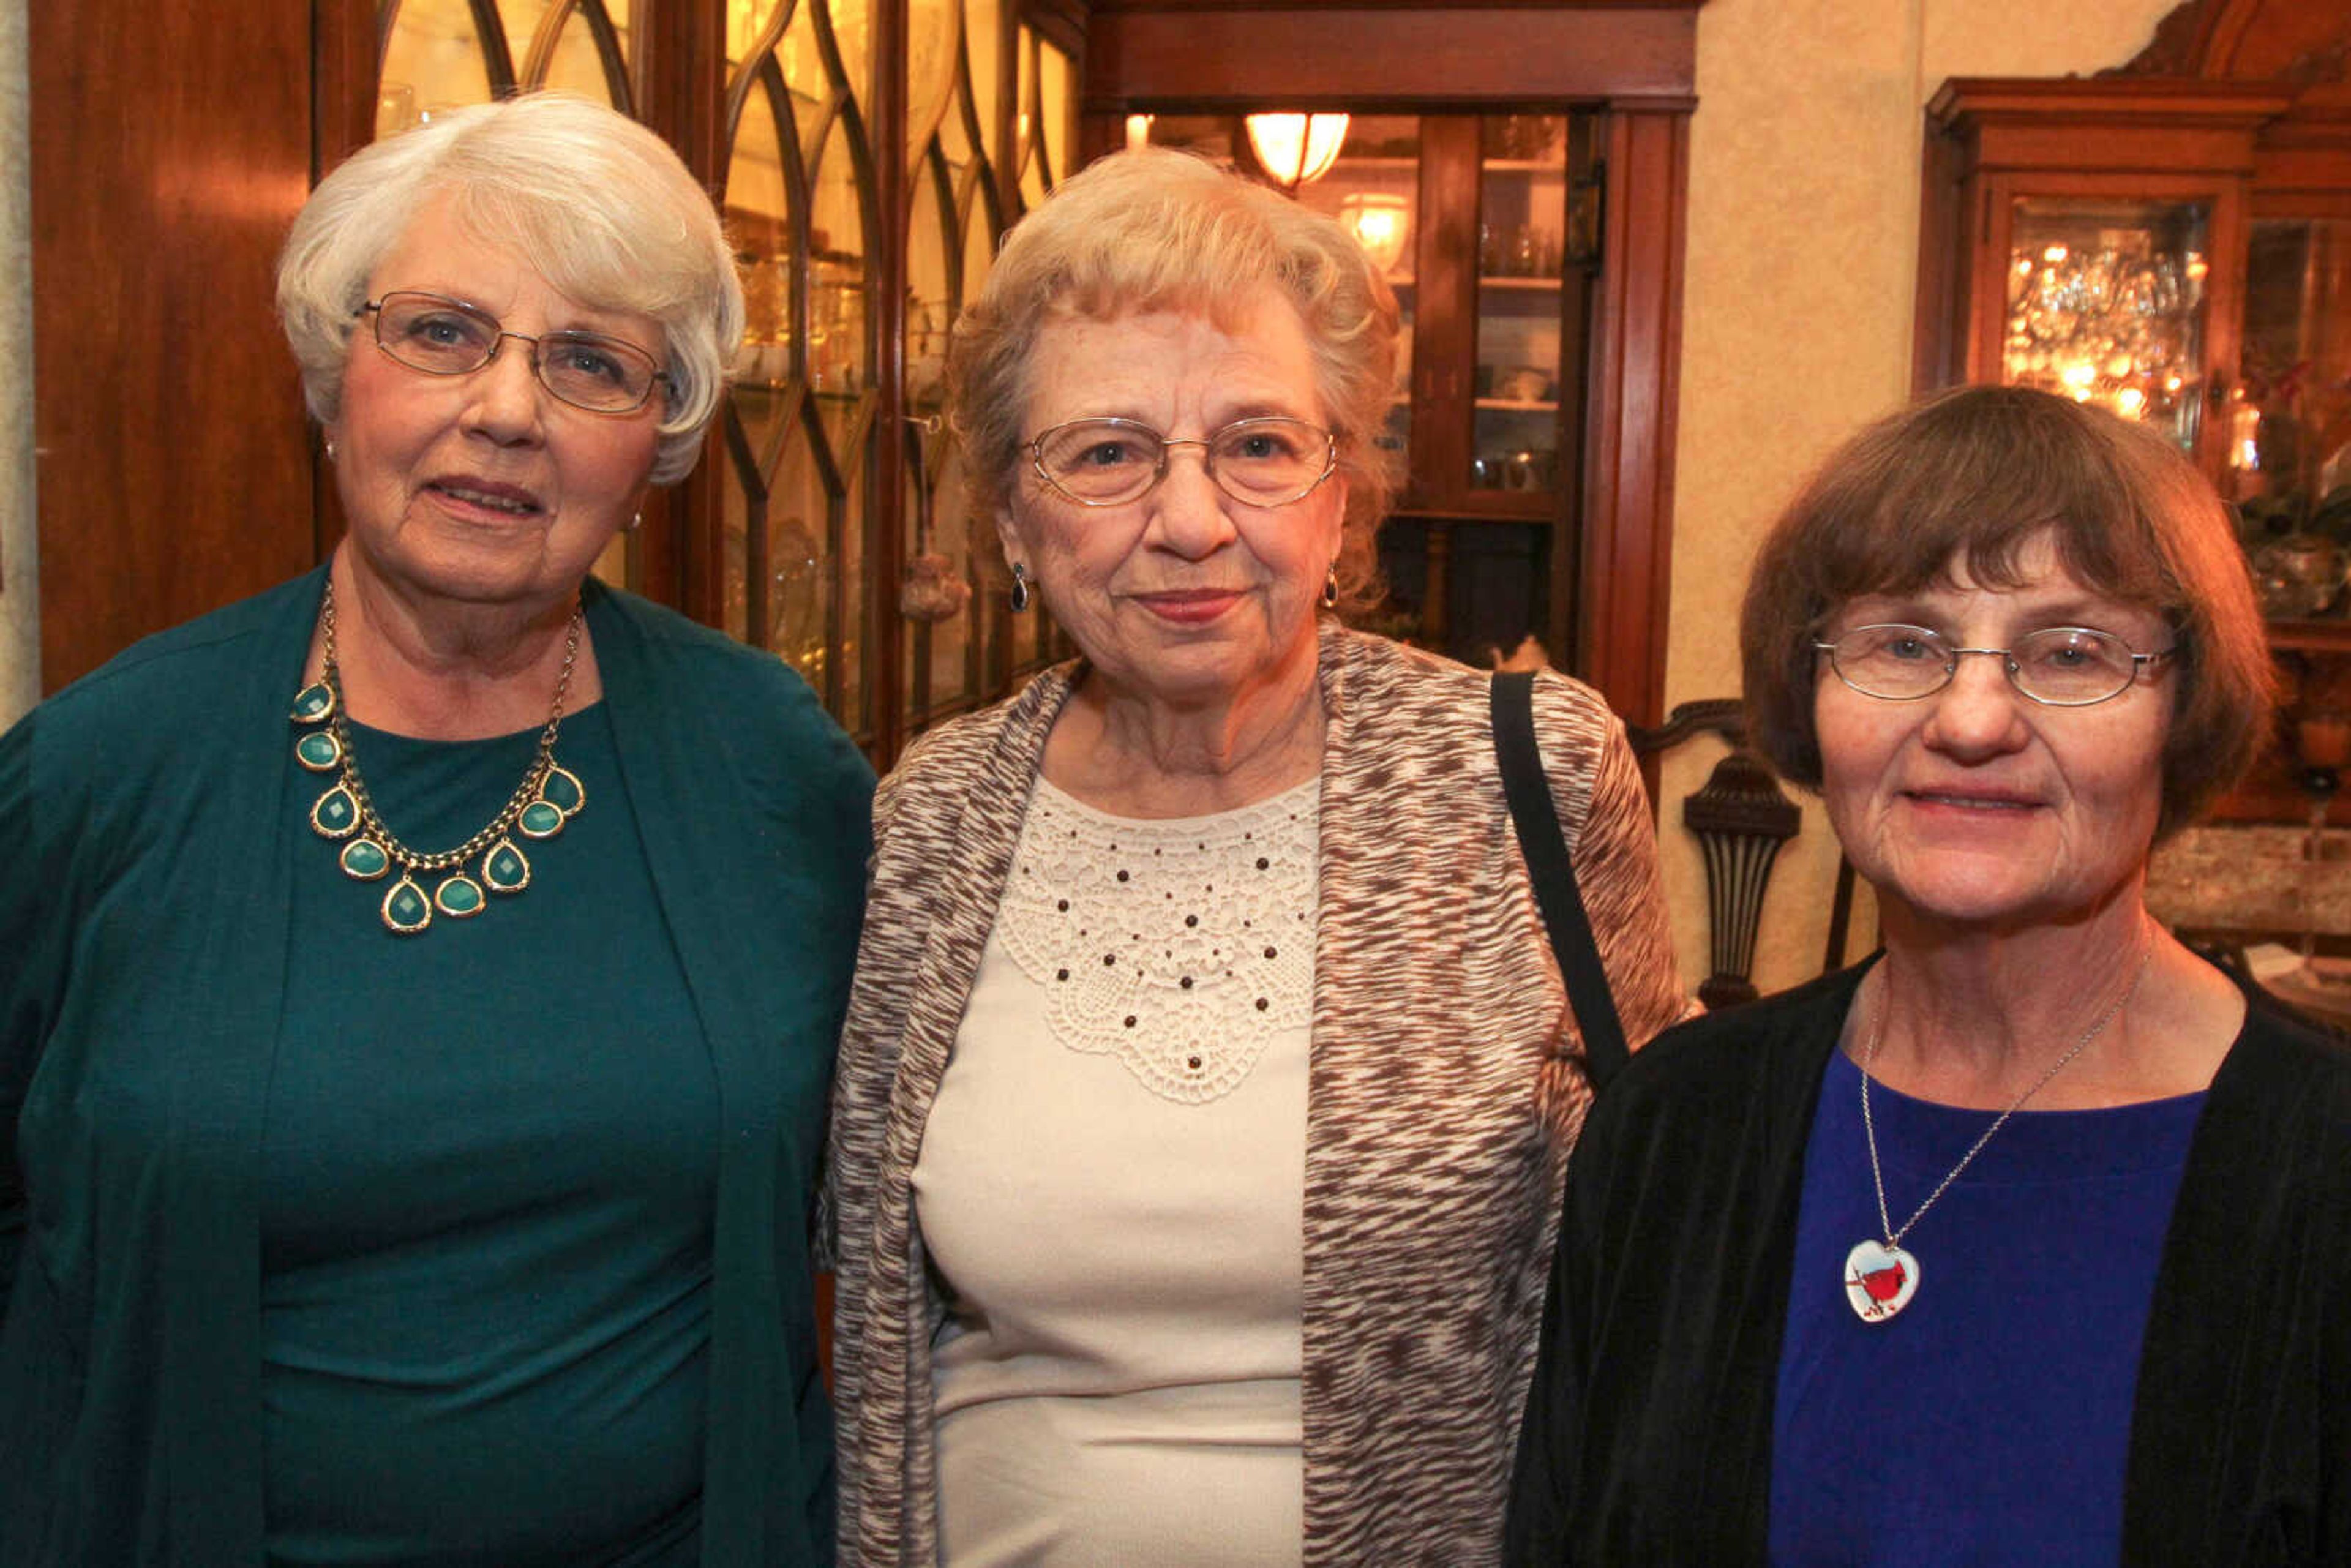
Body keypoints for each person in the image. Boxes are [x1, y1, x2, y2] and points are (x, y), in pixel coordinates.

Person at [0, 94, 871, 1566]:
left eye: (593, 361)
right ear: (336, 376)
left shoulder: (768, 764)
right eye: (444, 332)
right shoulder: (97, 772)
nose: (511, 410)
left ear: (657, 446)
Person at [824, 145, 1690, 1567]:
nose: (1189, 520)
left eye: (1260, 445)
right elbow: (866, 1290)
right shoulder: (936, 811)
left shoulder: (1523, 773)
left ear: (1342, 495)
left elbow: (1650, 1224)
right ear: (1010, 523)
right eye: (1105, 453)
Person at [1506, 385, 2351, 1565]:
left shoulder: (2322, 1176)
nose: (1970, 718)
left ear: (2184, 706)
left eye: (2071, 651)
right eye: (1904, 642)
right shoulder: (1674, 1130)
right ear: (1812, 693)